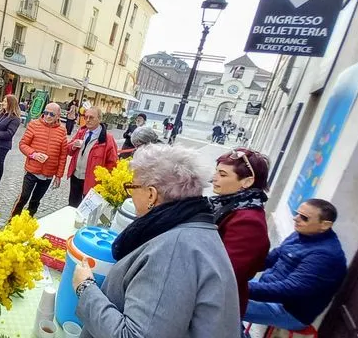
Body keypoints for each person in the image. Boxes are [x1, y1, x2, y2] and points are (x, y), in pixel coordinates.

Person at [72, 144, 240, 338]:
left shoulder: (175, 250)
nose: (130, 194)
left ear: (151, 194)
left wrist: (85, 289)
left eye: (132, 187)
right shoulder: (191, 230)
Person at [243, 199, 347, 333]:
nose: (295, 218)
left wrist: (242, 288)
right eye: (297, 213)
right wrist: (236, 268)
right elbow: (269, 259)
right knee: (217, 288)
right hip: (270, 291)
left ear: (325, 225)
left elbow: (289, 290)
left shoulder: (325, 255)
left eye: (304, 218)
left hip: (288, 311)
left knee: (221, 303)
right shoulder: (300, 234)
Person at [210, 149, 271, 320]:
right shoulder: (231, 205)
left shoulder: (248, 221)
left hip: (217, 306)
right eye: (216, 172)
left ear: (247, 181)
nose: (214, 178)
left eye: (222, 174)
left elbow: (225, 273)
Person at [11, 103, 68, 217]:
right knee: (23, 197)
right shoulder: (34, 124)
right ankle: (12, 222)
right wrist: (34, 154)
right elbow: (23, 144)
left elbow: (63, 155)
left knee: (35, 201)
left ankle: (27, 224)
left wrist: (59, 176)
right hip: (32, 170)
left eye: (51, 114)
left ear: (58, 116)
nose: (47, 116)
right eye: (45, 112)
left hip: (48, 174)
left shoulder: (62, 131)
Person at [67, 107, 118, 207]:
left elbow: (112, 163)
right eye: (86, 117)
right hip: (76, 176)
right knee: (72, 205)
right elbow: (68, 150)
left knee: (87, 209)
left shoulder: (107, 139)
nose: (88, 120)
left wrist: (104, 181)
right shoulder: (81, 132)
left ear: (99, 119)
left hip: (93, 182)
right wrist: (73, 146)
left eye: (91, 117)